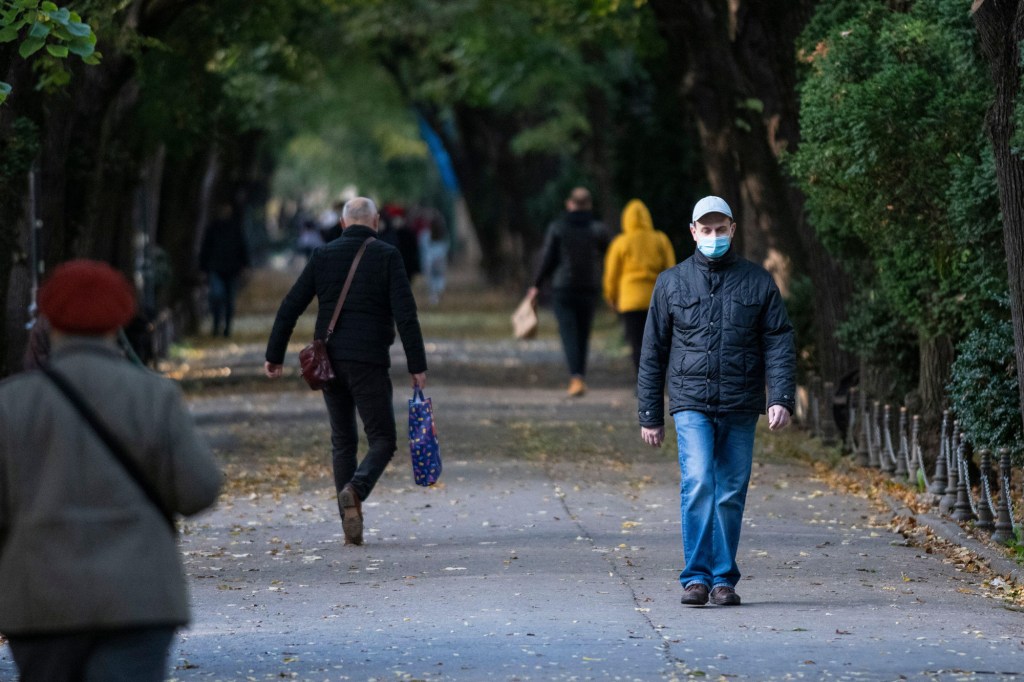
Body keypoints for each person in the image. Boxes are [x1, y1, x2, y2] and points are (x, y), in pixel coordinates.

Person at [0, 259, 223, 681]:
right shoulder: (154, 397)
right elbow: (199, 491)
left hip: (39, 600)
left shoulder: (12, 403)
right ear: (120, 318)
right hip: (137, 596)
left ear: (49, 317)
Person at [637, 196, 796, 607]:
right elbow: (653, 349)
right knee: (699, 481)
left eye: (719, 229)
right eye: (705, 230)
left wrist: (780, 397)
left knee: (730, 490)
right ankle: (696, 578)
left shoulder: (758, 282)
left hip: (741, 403)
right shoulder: (671, 282)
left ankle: (723, 579)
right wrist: (650, 414)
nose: (712, 237)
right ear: (693, 232)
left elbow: (778, 341)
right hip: (690, 401)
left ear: (732, 230)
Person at [264, 197, 428, 546]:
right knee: (382, 439)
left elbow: (290, 306)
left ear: (342, 224)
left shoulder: (322, 256)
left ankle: (348, 522)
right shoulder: (387, 256)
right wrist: (417, 366)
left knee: (343, 441)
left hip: (330, 362)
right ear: (376, 222)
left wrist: (274, 355)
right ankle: (355, 490)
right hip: (368, 360)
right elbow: (406, 315)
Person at [527, 186, 611, 397]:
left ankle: (576, 377)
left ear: (569, 204)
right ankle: (579, 375)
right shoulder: (598, 230)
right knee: (583, 334)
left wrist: (536, 285)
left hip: (563, 288)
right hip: (588, 288)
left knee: (569, 333)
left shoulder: (558, 228)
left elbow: (548, 259)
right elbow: (611, 256)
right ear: (589, 205)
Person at [602, 198, 676, 378]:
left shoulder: (620, 243)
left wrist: (610, 297)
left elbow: (611, 274)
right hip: (655, 298)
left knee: (637, 342)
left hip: (630, 301)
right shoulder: (660, 239)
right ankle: (658, 377)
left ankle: (641, 379)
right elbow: (671, 268)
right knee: (657, 341)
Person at [199, 200, 250, 338]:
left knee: (229, 300)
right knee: (216, 295)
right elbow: (205, 249)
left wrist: (245, 266)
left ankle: (227, 327)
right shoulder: (212, 228)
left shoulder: (235, 228)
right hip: (215, 268)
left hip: (232, 270)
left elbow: (242, 248)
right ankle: (216, 324)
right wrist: (203, 268)